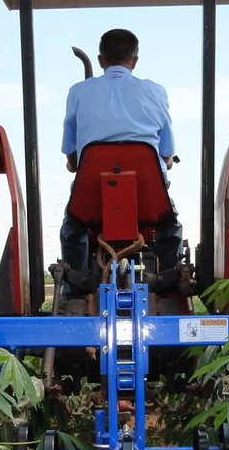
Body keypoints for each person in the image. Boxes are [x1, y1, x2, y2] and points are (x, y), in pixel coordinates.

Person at [58, 28, 184, 288]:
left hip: (91, 195)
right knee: (169, 227)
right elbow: (166, 151)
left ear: (101, 60)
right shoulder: (155, 92)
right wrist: (166, 162)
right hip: (148, 196)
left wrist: (75, 164)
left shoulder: (78, 92)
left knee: (73, 228)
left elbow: (71, 150)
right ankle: (170, 284)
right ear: (135, 60)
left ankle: (75, 289)